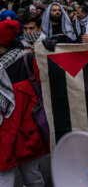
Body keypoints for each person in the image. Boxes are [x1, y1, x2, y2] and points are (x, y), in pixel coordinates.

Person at [0, 20, 48, 187]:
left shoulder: (26, 60)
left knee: (32, 175)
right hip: (4, 133)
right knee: (4, 177)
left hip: (24, 130)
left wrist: (49, 51)